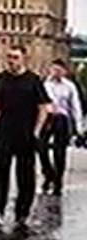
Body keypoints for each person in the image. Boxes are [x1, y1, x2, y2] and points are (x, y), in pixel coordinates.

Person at [0, 45, 53, 229]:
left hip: (26, 133)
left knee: (25, 175)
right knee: (1, 170)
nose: (11, 60)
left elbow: (43, 107)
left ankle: (22, 212)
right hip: (4, 131)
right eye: (9, 57)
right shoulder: (0, 78)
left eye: (15, 57)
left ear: (24, 58)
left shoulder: (33, 80)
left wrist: (37, 131)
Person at [38, 58, 83, 196]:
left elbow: (75, 107)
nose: (56, 72)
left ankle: (58, 183)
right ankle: (48, 173)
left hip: (62, 119)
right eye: (54, 69)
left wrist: (78, 126)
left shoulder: (69, 86)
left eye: (59, 70)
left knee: (60, 152)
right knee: (40, 147)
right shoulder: (44, 85)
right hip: (47, 118)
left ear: (64, 71)